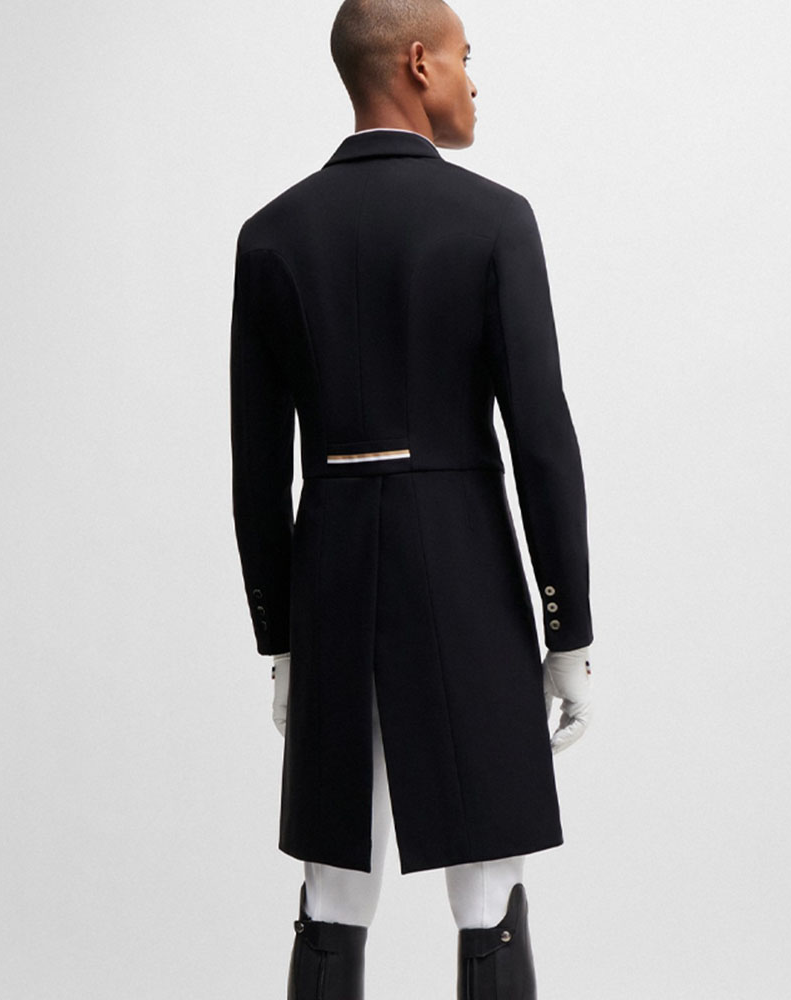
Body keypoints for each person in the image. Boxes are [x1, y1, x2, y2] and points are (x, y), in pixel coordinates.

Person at [229, 1, 595, 996]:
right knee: (489, 886)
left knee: (331, 888)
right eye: (468, 57)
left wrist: (281, 641)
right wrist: (566, 629)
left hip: (331, 578)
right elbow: (542, 442)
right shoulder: (494, 219)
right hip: (464, 575)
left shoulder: (271, 235)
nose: (475, 80)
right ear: (419, 62)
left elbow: (255, 470)